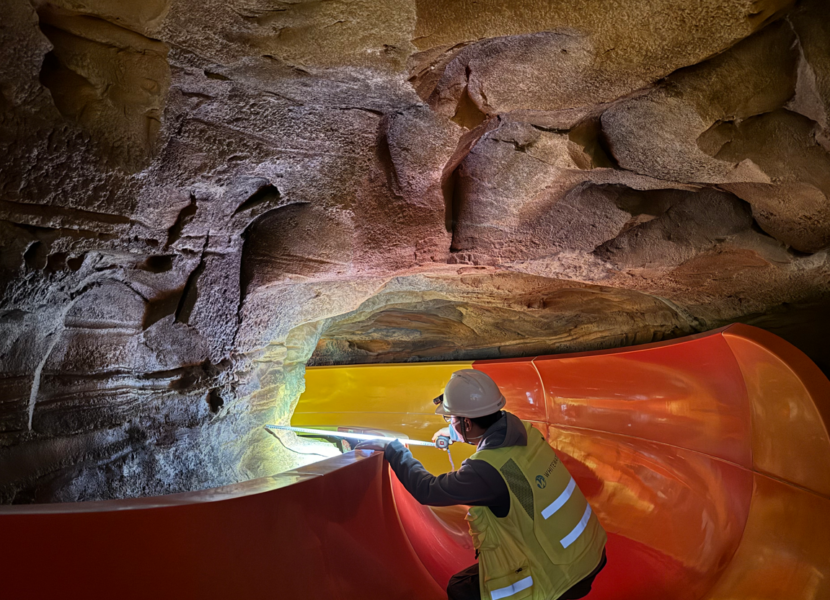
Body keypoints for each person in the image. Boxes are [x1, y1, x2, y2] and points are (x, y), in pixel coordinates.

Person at [356, 369, 607, 600]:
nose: (449, 423)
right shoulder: (525, 433)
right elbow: (498, 446)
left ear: (467, 422)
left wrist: (394, 449)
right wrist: (456, 433)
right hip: (588, 552)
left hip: (559, 576)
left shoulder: (486, 471)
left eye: (451, 419)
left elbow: (427, 489)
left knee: (460, 589)